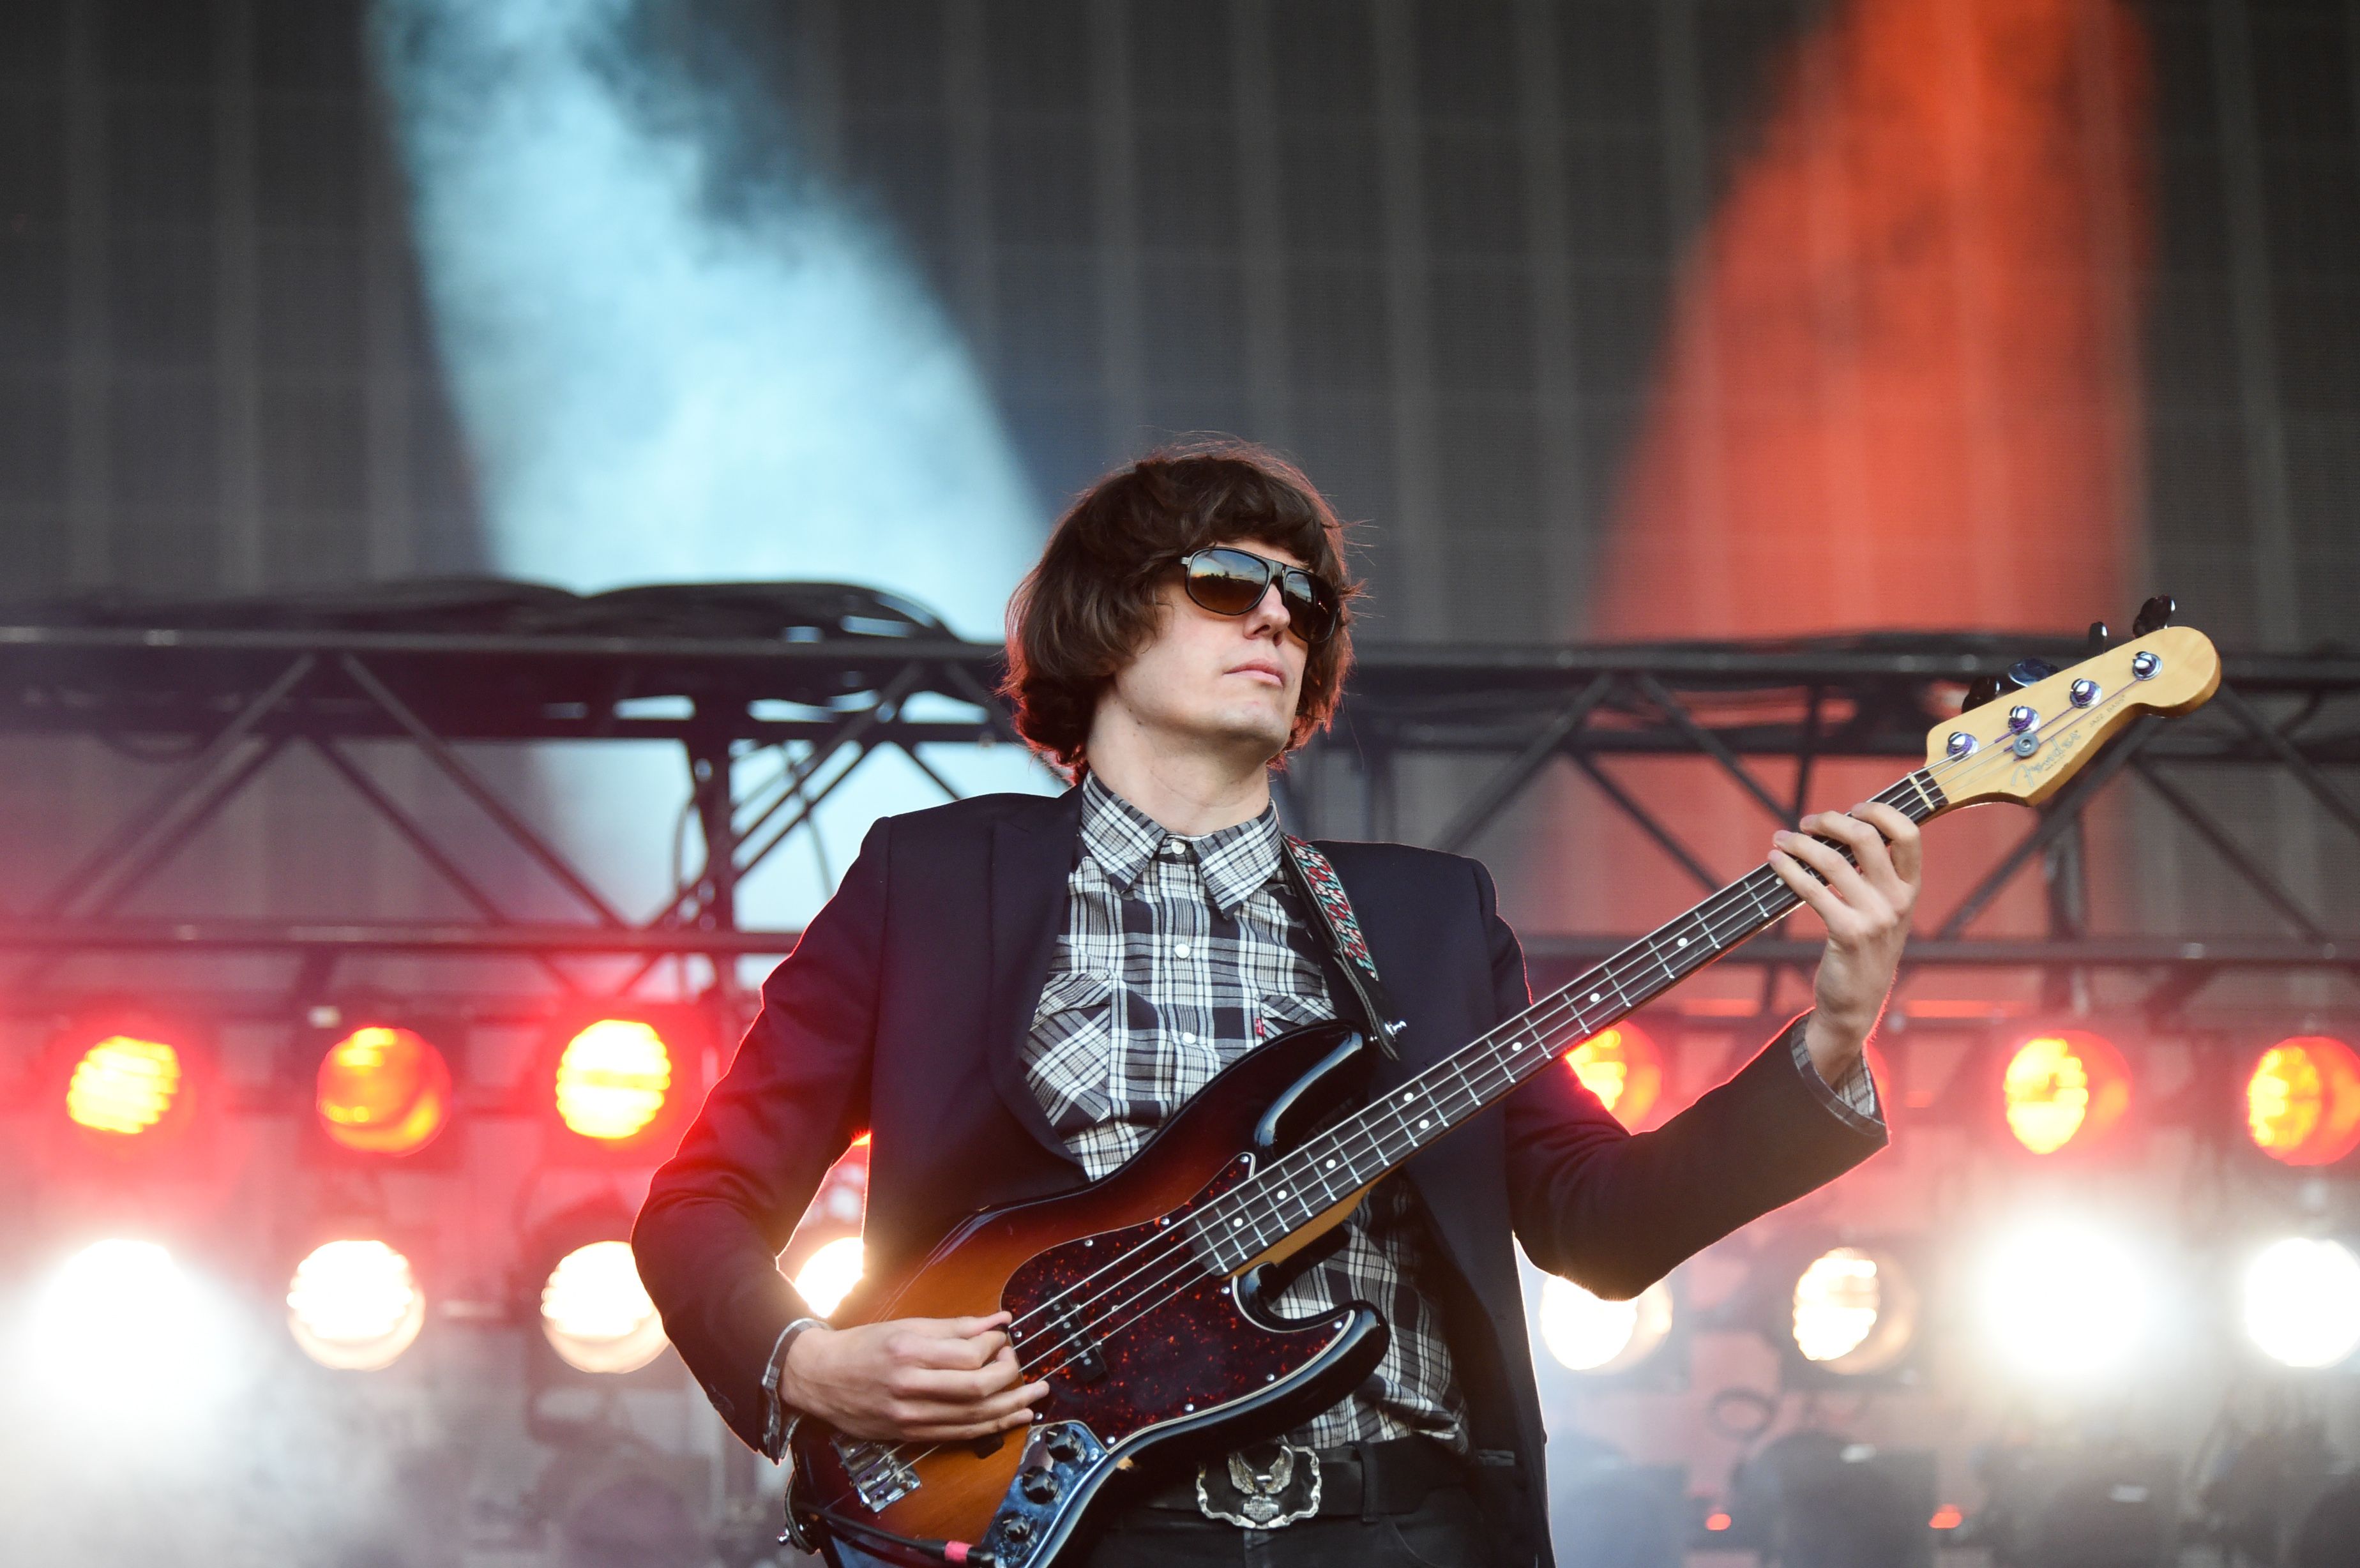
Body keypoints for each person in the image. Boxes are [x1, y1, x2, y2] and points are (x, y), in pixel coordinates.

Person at [632, 442, 1918, 1567]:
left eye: (1301, 600)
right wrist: (803, 1359)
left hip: (1396, 1525)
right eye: (1225, 583)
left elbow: (1602, 1223)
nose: (1276, 619)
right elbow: (700, 1204)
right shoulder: (932, 880)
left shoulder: (1425, 917)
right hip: (1066, 1527)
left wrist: (1835, 1036)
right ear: (1105, 618)